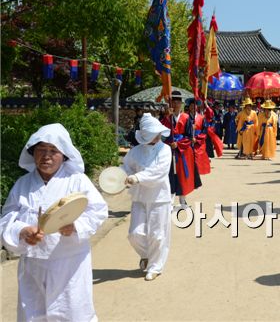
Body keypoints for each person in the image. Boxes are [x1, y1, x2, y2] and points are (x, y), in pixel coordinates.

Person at [0, 123, 108, 321]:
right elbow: (7, 217)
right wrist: (22, 230)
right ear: (32, 153)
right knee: (33, 314)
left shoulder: (77, 180)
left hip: (69, 263)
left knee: (72, 313)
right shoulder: (22, 184)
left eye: (53, 150)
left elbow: (98, 210)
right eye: (41, 149)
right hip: (32, 264)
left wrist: (76, 225)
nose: (46, 156)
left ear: (64, 155)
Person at [123, 113, 172, 281]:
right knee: (134, 234)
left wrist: (138, 177)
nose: (157, 136)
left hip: (160, 197)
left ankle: (155, 266)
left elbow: (159, 172)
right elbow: (126, 167)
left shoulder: (165, 150)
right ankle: (147, 255)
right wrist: (128, 176)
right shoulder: (135, 151)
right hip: (139, 196)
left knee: (158, 235)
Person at [161, 90, 201, 209]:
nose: (176, 103)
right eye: (174, 101)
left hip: (183, 150)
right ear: (171, 103)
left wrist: (178, 144)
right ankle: (170, 200)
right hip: (169, 150)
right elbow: (162, 134)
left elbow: (189, 136)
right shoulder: (166, 118)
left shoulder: (186, 117)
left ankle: (183, 200)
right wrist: (169, 143)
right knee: (170, 175)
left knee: (182, 175)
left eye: (178, 101)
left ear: (181, 103)